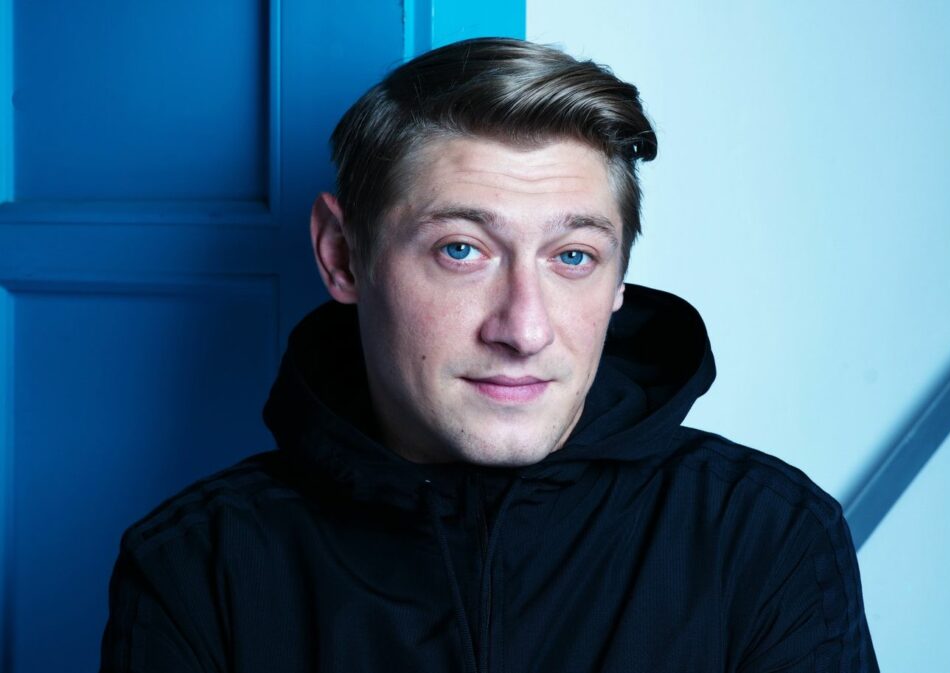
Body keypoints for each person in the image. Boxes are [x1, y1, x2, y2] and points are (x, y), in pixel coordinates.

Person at [100, 37, 878, 672]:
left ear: (618, 280)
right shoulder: (198, 567)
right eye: (462, 249)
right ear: (342, 255)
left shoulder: (765, 537)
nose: (524, 328)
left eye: (572, 256)